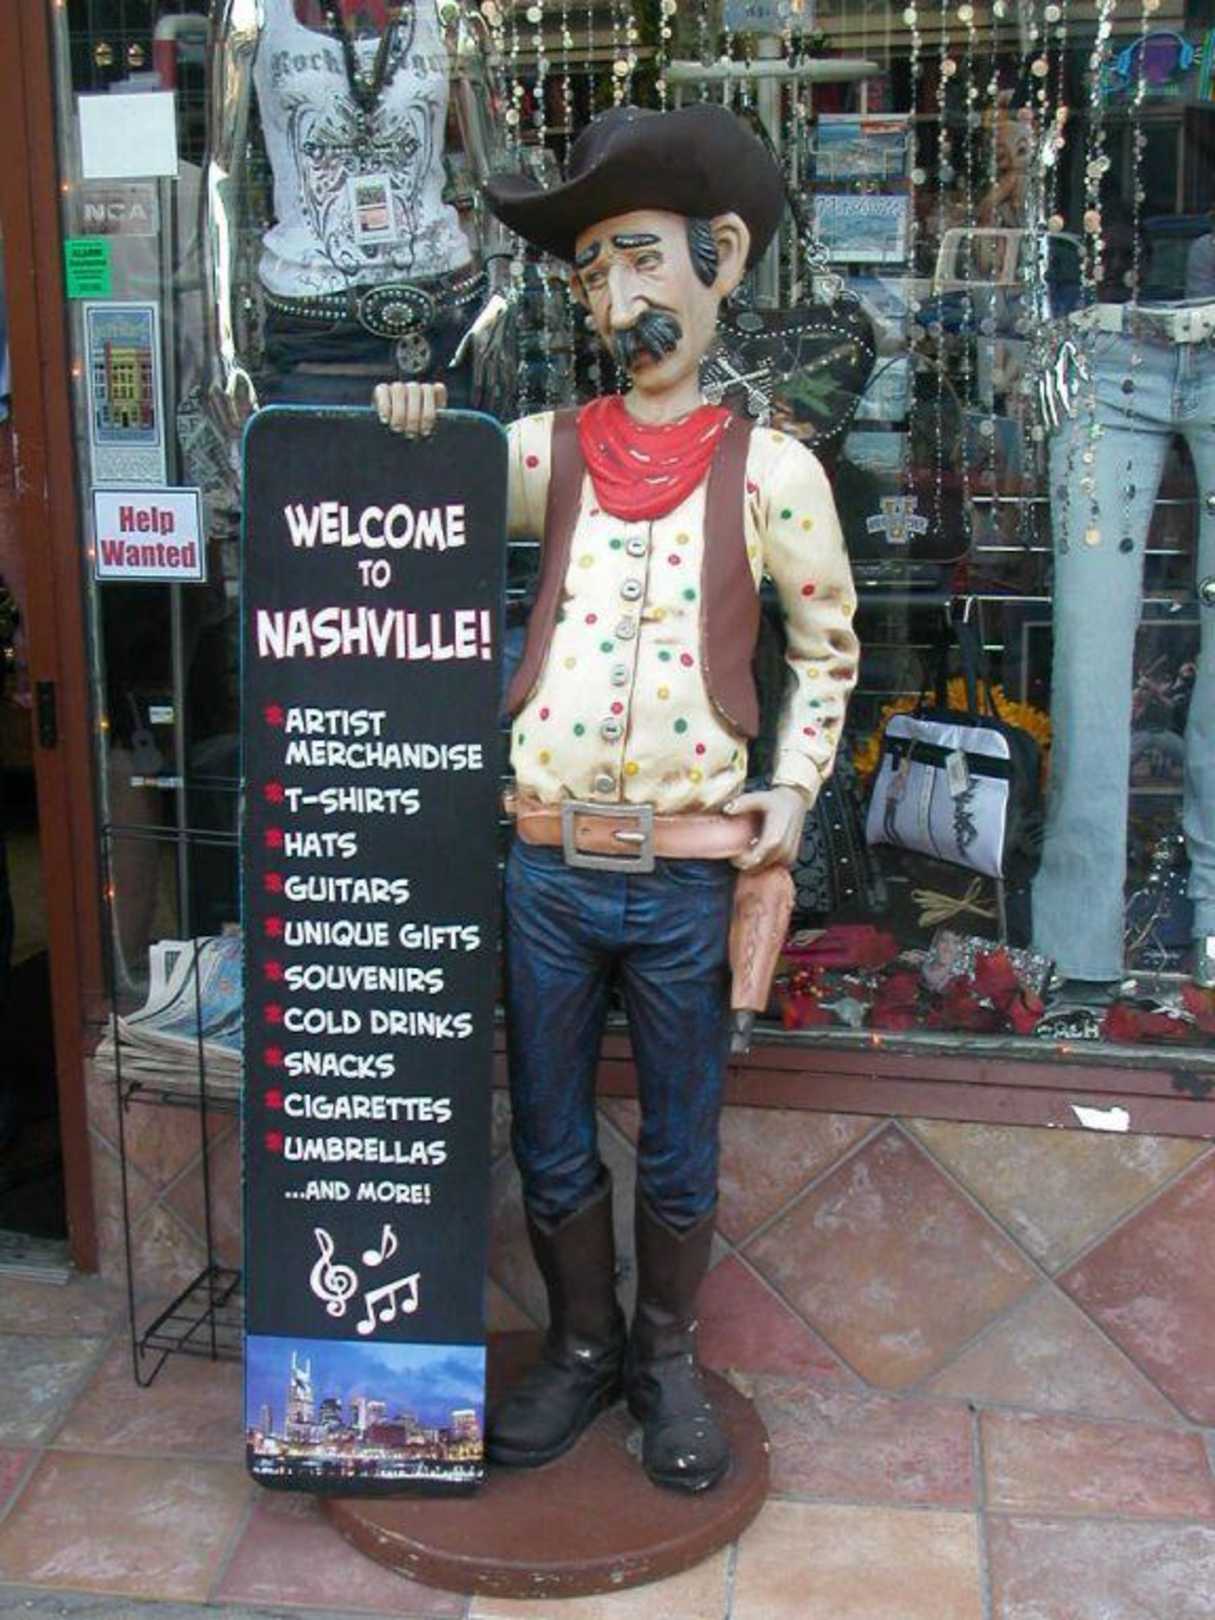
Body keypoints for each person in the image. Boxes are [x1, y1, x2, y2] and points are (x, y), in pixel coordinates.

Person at [375, 103, 859, 1492]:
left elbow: (828, 645)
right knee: (547, 1125)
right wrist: (414, 425)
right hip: (547, 871)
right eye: (593, 273)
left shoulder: (773, 471)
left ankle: (665, 1356)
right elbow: (436, 489)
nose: (617, 298)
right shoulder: (551, 452)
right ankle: (582, 1345)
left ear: (720, 260)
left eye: (642, 260)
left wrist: (792, 788)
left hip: (689, 874)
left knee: (682, 1141)